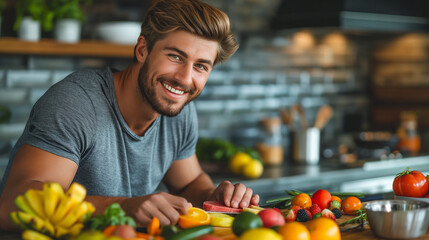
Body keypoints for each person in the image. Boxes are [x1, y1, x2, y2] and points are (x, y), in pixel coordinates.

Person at [0, 0, 259, 230]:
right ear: (142, 49)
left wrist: (216, 197)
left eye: (201, 66)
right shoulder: (77, 102)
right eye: (175, 57)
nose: (185, 78)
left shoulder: (180, 109)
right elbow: (12, 203)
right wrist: (123, 207)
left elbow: (187, 183)